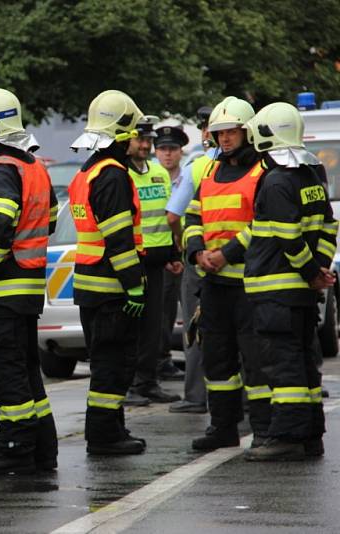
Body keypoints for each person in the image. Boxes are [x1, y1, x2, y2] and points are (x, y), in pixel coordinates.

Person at [0, 87, 59, 475]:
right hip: (27, 286)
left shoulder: (1, 169)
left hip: (1, 289)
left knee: (5, 370)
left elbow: (0, 227)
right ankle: (42, 449)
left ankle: (16, 448)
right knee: (26, 372)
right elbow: (50, 218)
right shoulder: (32, 165)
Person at [242, 102, 337, 461]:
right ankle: (311, 434)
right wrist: (319, 269)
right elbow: (329, 228)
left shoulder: (276, 180)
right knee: (303, 360)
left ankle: (286, 437)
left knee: (283, 365)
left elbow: (288, 238)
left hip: (276, 292)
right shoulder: (311, 176)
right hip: (299, 293)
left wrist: (312, 272)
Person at [184, 96, 271, 450]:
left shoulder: (262, 172)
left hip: (248, 285)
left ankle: (265, 429)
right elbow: (192, 217)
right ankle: (223, 427)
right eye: (218, 133)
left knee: (256, 361)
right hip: (214, 284)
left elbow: (262, 224)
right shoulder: (209, 172)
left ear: (246, 132)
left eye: (231, 132)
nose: (224, 139)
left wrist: (226, 253)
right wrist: (197, 251)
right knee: (217, 360)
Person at [69, 90, 147, 455]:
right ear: (119, 135)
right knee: (113, 364)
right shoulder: (113, 177)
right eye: (133, 134)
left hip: (90, 286)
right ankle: (104, 436)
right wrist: (134, 287)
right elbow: (119, 241)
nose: (137, 141)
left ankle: (111, 428)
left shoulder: (87, 172)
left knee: (105, 361)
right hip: (112, 289)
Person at [125, 119, 183, 405]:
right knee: (131, 329)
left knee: (153, 328)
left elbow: (168, 217)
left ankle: (147, 382)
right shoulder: (123, 174)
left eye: (148, 141)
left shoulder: (159, 173)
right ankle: (131, 385)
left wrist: (174, 254)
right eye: (140, 141)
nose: (146, 146)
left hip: (159, 262)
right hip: (133, 261)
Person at [166, 107, 215, 414]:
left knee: (195, 327)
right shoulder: (255, 166)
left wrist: (184, 245)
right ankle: (251, 399)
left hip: (199, 259)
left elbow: (174, 215)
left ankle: (196, 396)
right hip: (236, 259)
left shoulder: (199, 166)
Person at [154, 125, 189, 382]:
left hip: (189, 252)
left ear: (181, 151)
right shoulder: (150, 178)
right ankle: (161, 359)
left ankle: (196, 359)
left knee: (192, 310)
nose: (168, 154)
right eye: (163, 149)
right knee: (162, 313)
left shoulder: (188, 177)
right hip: (163, 255)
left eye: (172, 149)